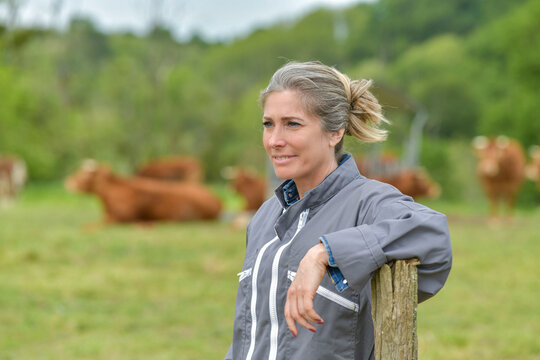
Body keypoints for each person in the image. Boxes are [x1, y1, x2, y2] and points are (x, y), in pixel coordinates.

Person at [225, 61, 452, 360]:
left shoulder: (369, 202)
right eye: (269, 124)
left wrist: (324, 253)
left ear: (335, 132)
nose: (275, 140)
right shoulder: (265, 217)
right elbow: (250, 334)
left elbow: (432, 233)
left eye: (292, 124)